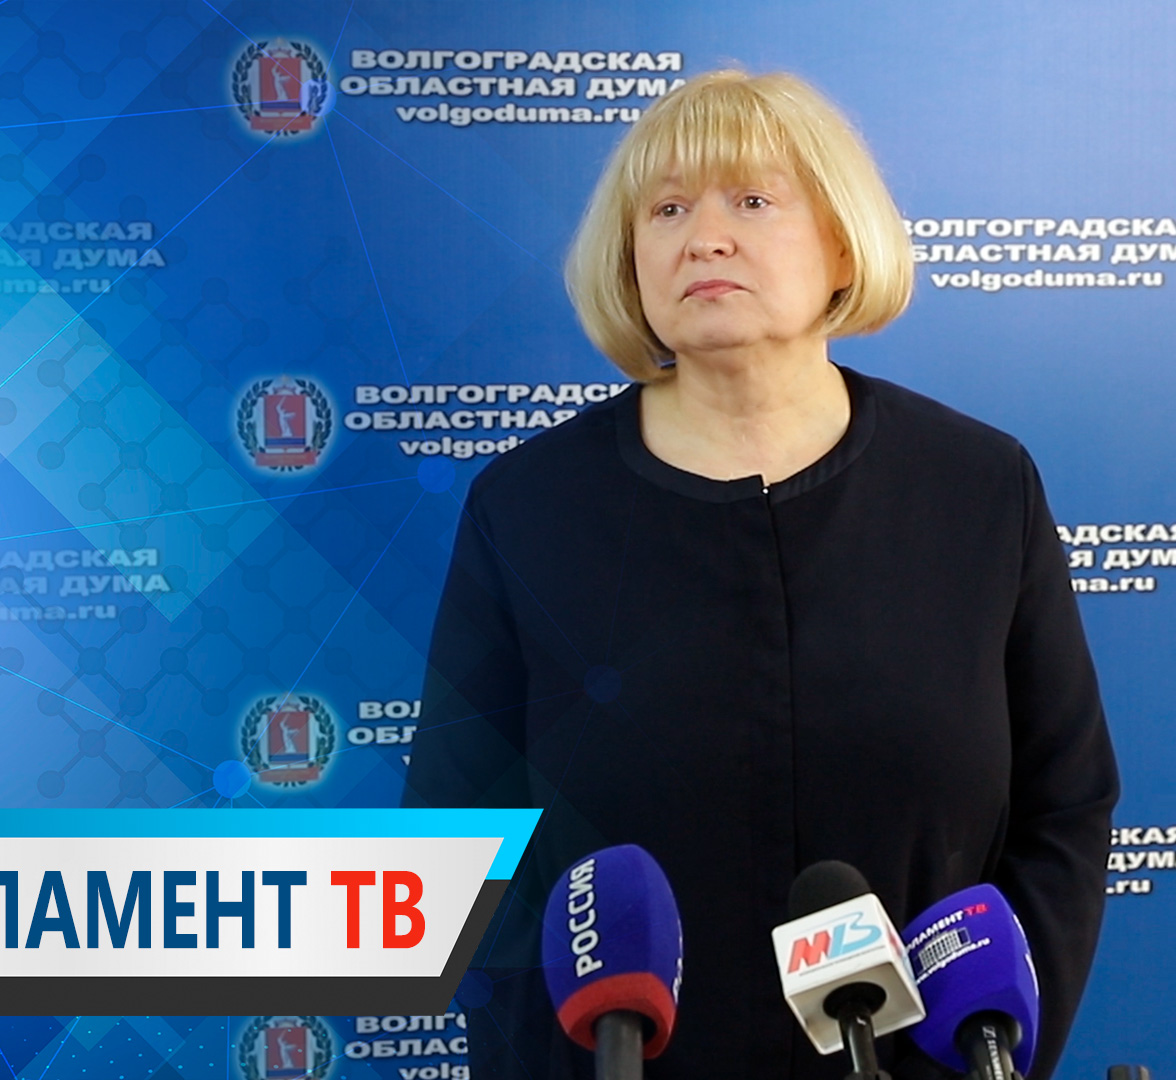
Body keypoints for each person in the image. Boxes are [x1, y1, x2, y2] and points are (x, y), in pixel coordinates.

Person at [403, 70, 1118, 1080]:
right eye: (666, 210)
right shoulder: (527, 507)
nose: (705, 238)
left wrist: (988, 1047)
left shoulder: (979, 486)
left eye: (750, 200)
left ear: (841, 244)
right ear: (631, 261)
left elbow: (1066, 806)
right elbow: (456, 839)